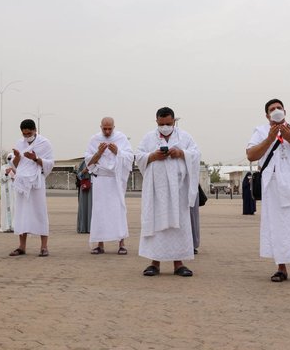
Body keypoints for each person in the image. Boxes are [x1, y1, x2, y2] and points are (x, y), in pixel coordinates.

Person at [246, 99, 290, 283]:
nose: (276, 111)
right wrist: (270, 138)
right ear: (267, 115)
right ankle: (281, 268)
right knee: (278, 227)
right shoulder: (261, 131)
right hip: (274, 186)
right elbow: (251, 154)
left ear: (285, 111)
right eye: (272, 109)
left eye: (279, 108)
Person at [136, 107, 201, 277]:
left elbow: (196, 154)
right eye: (162, 123)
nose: (165, 126)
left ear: (174, 121)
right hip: (156, 191)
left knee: (179, 224)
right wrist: (152, 156)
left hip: (178, 190)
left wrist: (181, 153)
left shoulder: (185, 137)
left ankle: (179, 264)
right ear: (156, 121)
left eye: (168, 123)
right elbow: (139, 156)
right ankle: (154, 263)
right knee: (156, 223)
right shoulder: (148, 137)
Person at [84, 117, 133, 255]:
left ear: (113, 127)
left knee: (118, 210)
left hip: (115, 180)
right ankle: (100, 244)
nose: (107, 131)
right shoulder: (94, 139)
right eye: (104, 128)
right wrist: (99, 153)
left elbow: (129, 158)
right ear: (100, 127)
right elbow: (89, 162)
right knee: (100, 211)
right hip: (101, 180)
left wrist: (118, 151)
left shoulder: (121, 138)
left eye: (109, 128)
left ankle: (121, 243)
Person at [9, 119, 54, 257]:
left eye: (29, 133)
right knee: (21, 213)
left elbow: (50, 164)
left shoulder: (44, 143)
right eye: (24, 134)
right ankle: (22, 247)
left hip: (36, 182)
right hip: (22, 182)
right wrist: (17, 157)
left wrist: (35, 158)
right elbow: (15, 165)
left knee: (39, 212)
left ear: (35, 130)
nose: (27, 136)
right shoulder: (19, 144)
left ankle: (44, 247)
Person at [0, 153, 16, 233]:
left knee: (14, 207)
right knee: (6, 208)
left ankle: (14, 226)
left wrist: (14, 173)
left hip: (14, 191)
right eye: (9, 158)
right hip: (6, 192)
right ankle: (6, 226)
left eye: (11, 158)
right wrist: (6, 174)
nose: (10, 160)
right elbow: (0, 180)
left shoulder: (17, 167)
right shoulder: (3, 167)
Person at [76, 159, 92, 234]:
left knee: (92, 207)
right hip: (85, 187)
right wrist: (84, 171)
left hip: (95, 188)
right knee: (84, 206)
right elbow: (78, 175)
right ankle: (84, 228)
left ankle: (92, 227)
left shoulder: (100, 160)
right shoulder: (84, 161)